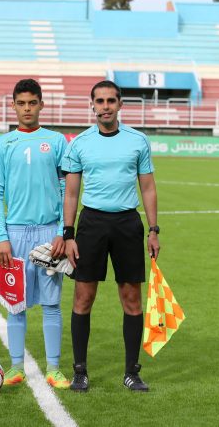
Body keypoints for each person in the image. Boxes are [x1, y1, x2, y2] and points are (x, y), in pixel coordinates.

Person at [62, 80, 160, 392]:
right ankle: (80, 371)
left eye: (110, 101)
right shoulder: (80, 143)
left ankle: (132, 371)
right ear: (92, 104)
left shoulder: (138, 140)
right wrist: (68, 234)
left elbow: (147, 187)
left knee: (131, 298)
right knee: (83, 297)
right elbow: (71, 192)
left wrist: (154, 230)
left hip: (127, 224)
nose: (105, 106)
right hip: (91, 224)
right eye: (100, 101)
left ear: (120, 104)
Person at [0, 79, 70, 389]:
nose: (26, 109)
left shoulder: (57, 141)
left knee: (51, 302)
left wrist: (63, 231)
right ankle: (16, 367)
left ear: (41, 105)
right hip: (16, 233)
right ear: (13, 106)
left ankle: (54, 368)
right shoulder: (3, 144)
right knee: (15, 303)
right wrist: (1, 235)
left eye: (32, 103)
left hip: (50, 233)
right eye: (21, 103)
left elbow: (67, 190)